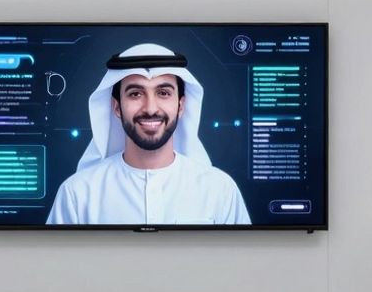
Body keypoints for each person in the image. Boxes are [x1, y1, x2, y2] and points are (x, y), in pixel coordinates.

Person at [46, 43, 251, 225]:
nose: (151, 108)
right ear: (117, 107)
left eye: (163, 93)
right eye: (136, 94)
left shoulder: (220, 191)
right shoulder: (77, 194)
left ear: (181, 106)